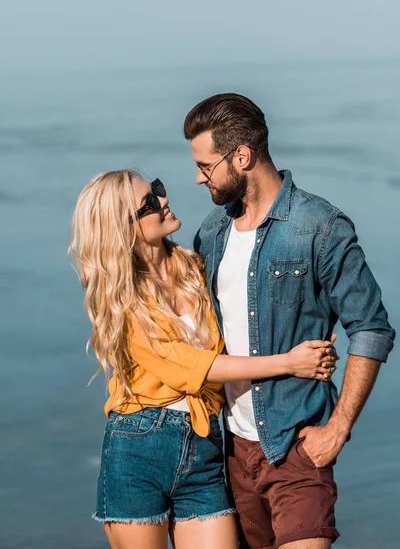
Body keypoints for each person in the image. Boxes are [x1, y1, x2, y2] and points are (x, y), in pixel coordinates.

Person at [69, 169, 338, 549]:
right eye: (149, 203)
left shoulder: (196, 267)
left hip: (206, 448)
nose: (163, 201)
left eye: (157, 189)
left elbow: (247, 315)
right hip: (139, 450)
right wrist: (290, 362)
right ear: (123, 228)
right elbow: (197, 368)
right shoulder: (121, 299)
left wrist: (311, 332)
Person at [184, 93, 396, 549]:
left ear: (241, 156)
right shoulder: (211, 234)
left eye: (205, 166)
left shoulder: (320, 226)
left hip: (297, 449)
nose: (198, 178)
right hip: (231, 453)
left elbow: (372, 328)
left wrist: (337, 429)